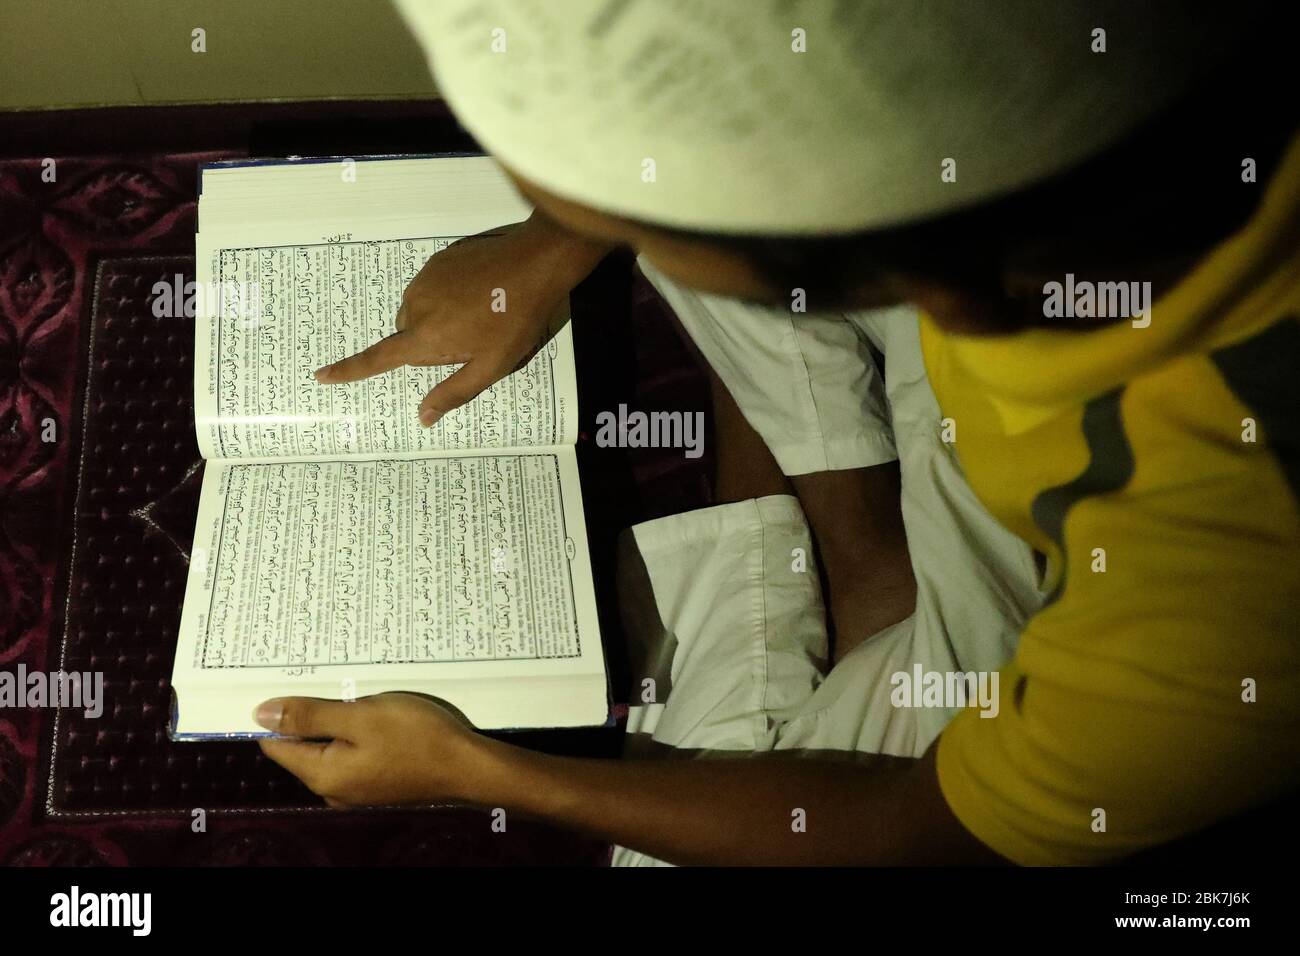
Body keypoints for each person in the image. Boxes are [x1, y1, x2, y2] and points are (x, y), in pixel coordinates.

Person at [253, 1, 1299, 865]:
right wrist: (557, 242)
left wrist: (480, 771)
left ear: (857, 249)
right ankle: (864, 572)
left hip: (1052, 589)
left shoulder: (1219, 619)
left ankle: (864, 590)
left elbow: (916, 826)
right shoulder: (1053, 134)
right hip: (987, 380)